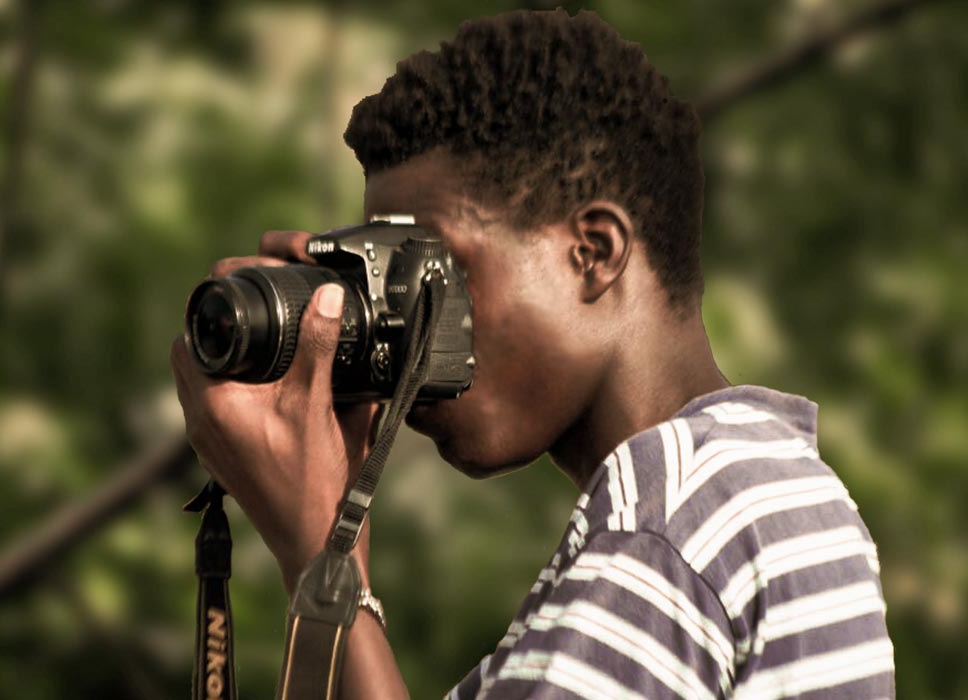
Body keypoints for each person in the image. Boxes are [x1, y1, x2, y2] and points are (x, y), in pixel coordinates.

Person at [171, 9, 895, 699]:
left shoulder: (669, 526)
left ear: (593, 252)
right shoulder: (764, 490)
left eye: (435, 276)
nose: (405, 331)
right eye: (388, 280)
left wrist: (317, 550)